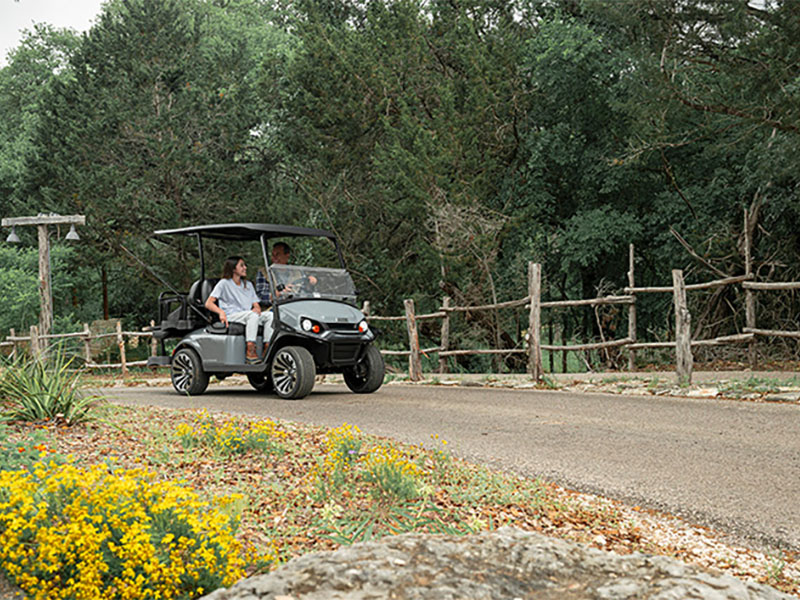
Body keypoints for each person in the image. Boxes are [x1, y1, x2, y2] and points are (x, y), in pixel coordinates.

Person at [205, 256, 272, 363]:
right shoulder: (224, 283)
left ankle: (267, 348)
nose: (245, 268)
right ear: (233, 269)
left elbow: (256, 304)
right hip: (232, 315)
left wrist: (257, 308)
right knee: (252, 315)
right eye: (241, 265)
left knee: (270, 315)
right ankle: (250, 351)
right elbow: (209, 303)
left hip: (247, 316)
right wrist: (221, 312)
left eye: (245, 265)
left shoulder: (248, 285)